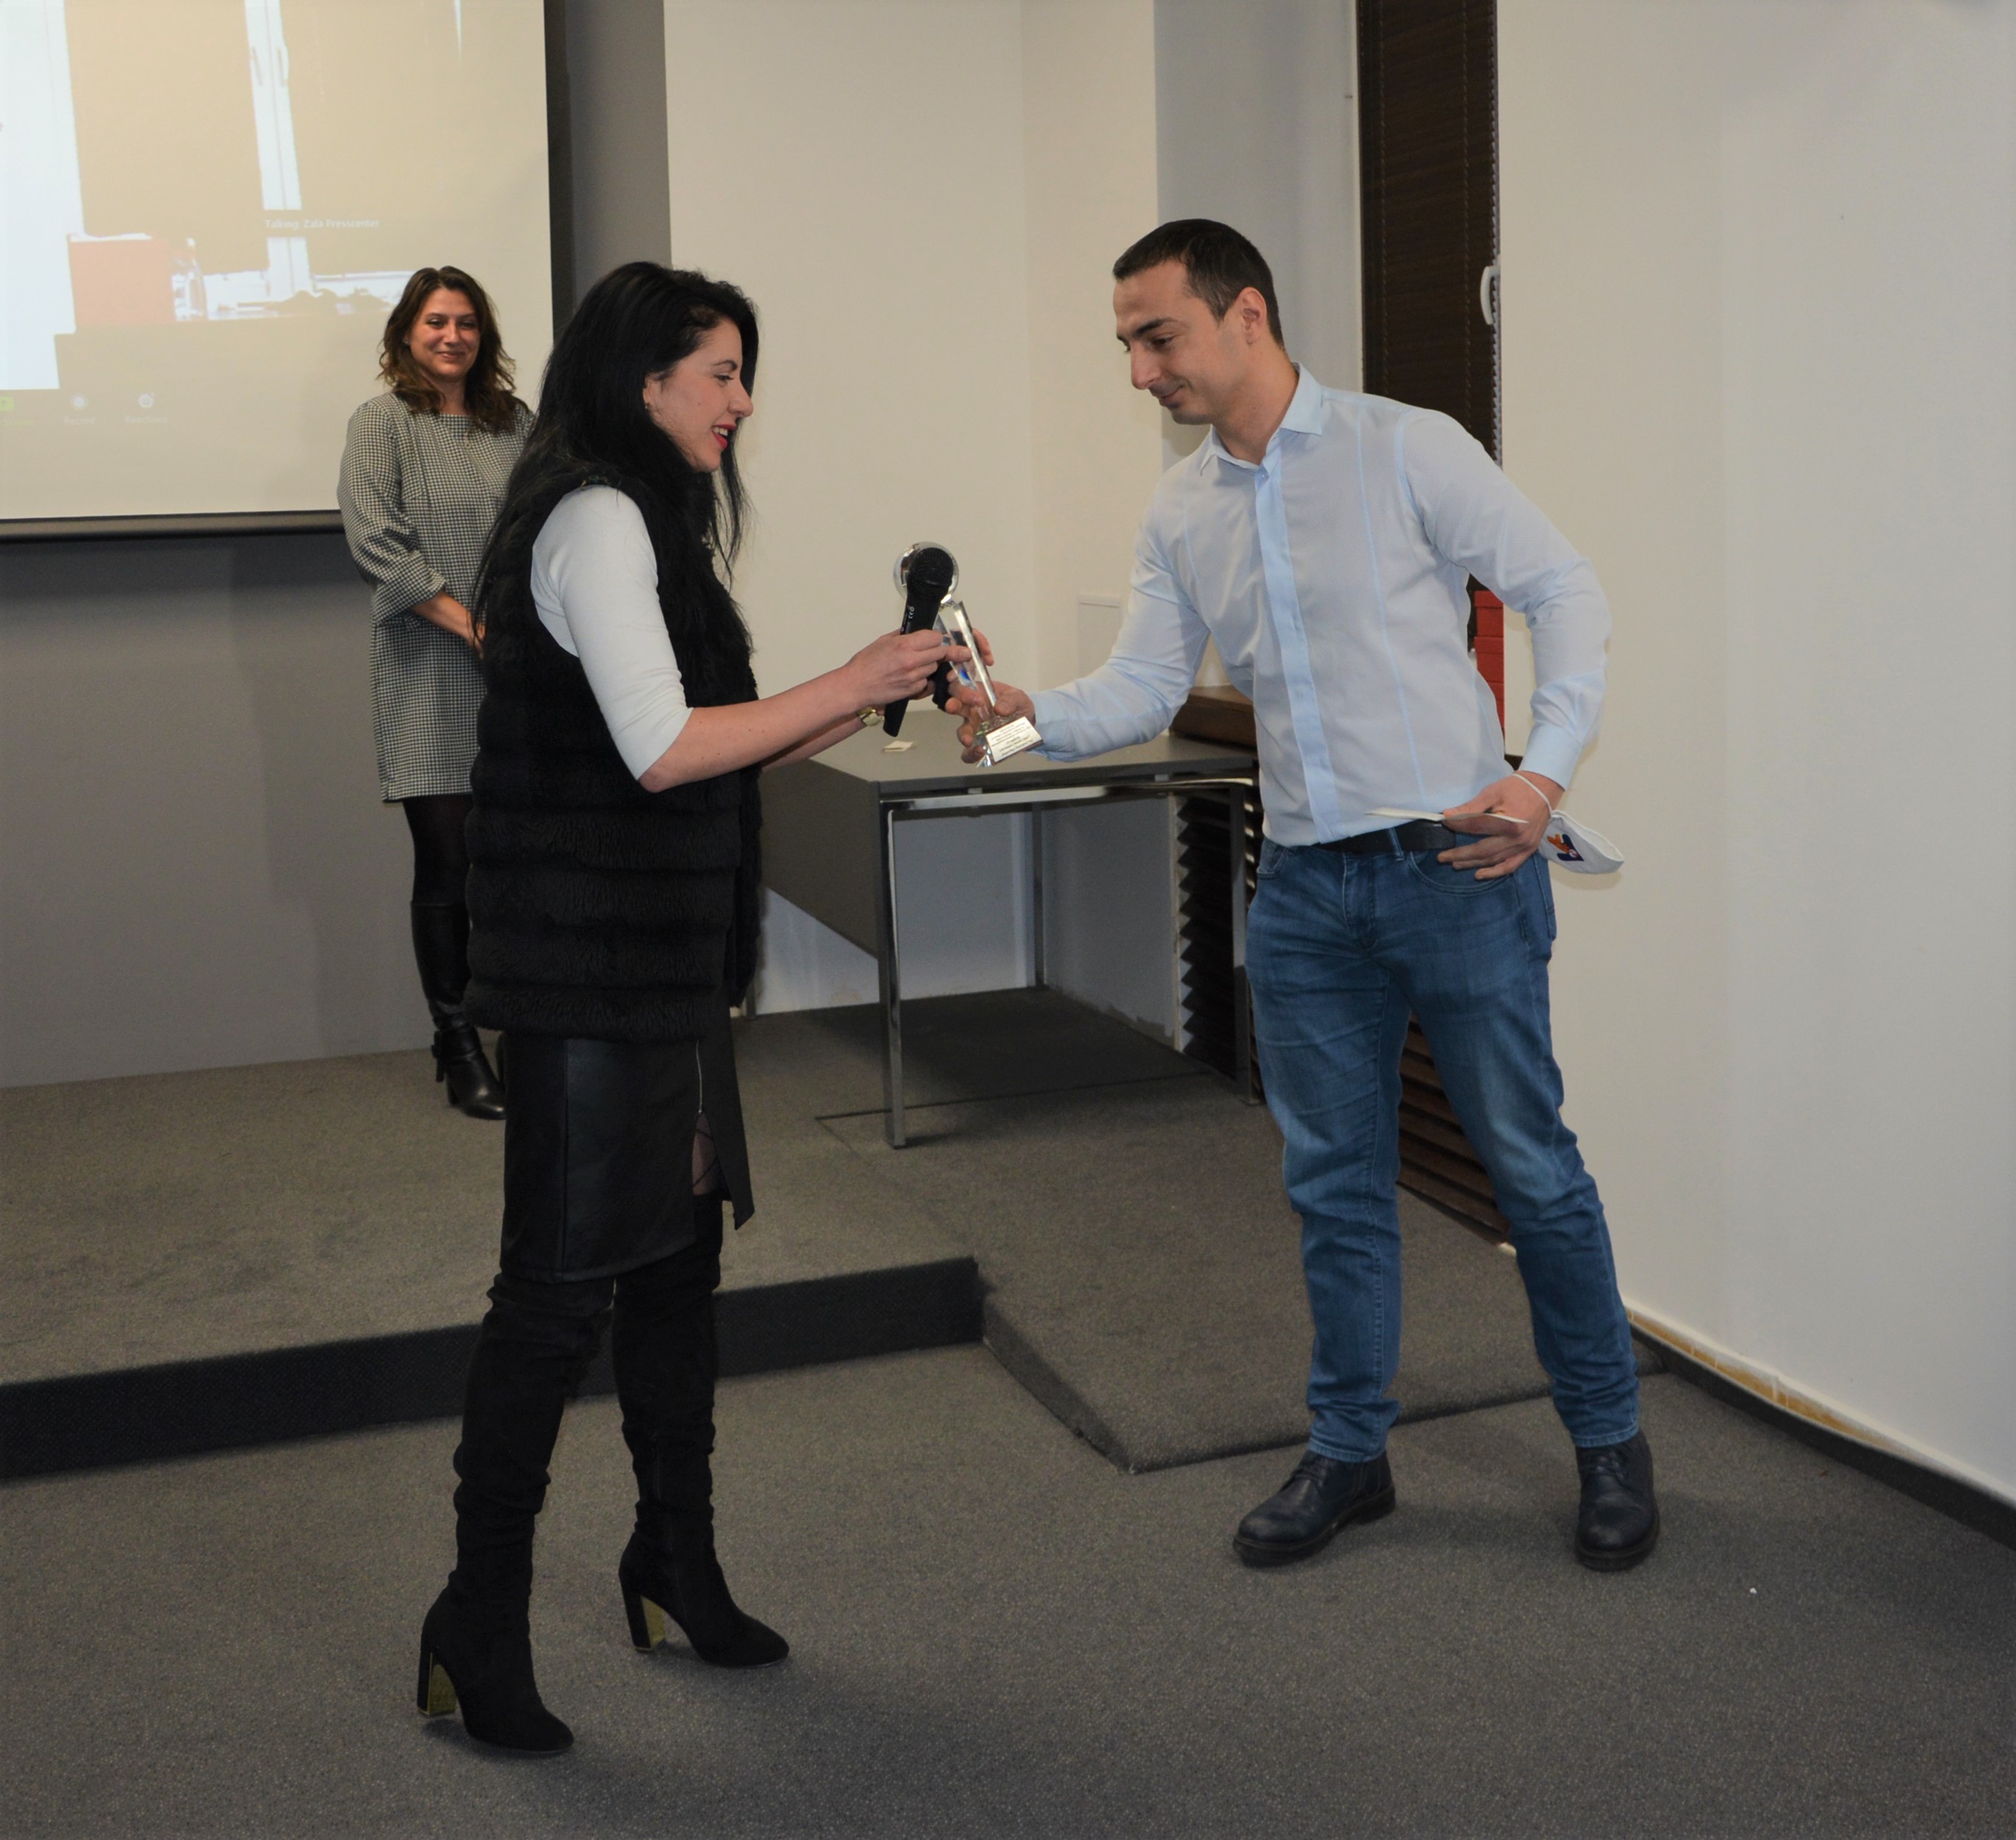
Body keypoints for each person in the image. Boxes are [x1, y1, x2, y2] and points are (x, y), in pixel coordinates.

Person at [953, 220, 1657, 1575]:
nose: (1140, 371)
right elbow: (1143, 689)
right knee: (1333, 1190)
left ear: (1245, 316)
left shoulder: (1406, 447)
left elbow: (1562, 589)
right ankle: (1348, 1451)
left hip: (1456, 870)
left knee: (1529, 1170)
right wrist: (1022, 717)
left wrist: (1543, 774)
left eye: (1156, 337)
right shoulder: (1181, 511)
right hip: (1304, 894)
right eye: (1126, 345)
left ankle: (1608, 1439)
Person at [414, 262, 958, 1755]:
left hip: (657, 966)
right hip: (586, 974)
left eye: (740, 372)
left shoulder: (652, 522)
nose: (742, 399)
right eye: (720, 371)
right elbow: (662, 750)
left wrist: (868, 692)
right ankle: (476, 1617)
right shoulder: (596, 515)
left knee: (671, 1273)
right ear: (643, 379)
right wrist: (844, 676)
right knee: (553, 1299)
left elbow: (705, 746)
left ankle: (674, 1559)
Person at [339, 265, 528, 1121]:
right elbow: (378, 543)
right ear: (405, 335)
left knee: (517, 862)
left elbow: (547, 528)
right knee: (449, 864)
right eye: (435, 322)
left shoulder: (516, 423)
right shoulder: (381, 423)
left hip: (519, 670)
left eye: (466, 322)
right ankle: (456, 1043)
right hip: (429, 668)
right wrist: (473, 627)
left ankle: (521, 1027)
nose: (452, 336)